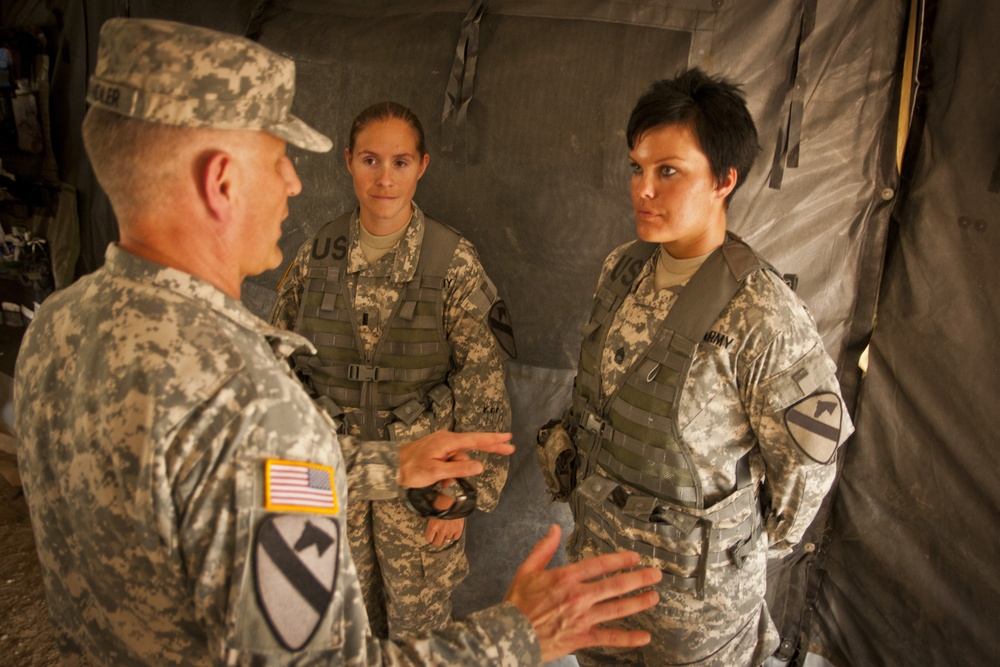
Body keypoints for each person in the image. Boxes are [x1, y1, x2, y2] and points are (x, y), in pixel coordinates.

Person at [13, 18, 662, 666]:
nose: (295, 183)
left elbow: (224, 477)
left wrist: (388, 465)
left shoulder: (55, 327)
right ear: (221, 180)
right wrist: (524, 634)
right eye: (279, 160)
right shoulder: (258, 408)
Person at [536, 69, 854, 666]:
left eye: (669, 171)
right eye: (637, 168)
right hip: (601, 581)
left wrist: (725, 553)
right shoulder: (622, 271)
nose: (643, 190)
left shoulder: (761, 313)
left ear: (724, 180)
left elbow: (807, 473)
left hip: (694, 621)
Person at [271, 101, 513, 639]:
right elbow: (278, 374)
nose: (384, 178)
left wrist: (460, 494)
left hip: (424, 487)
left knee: (418, 636)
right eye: (370, 161)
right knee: (339, 629)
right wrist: (296, 484)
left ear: (422, 166)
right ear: (349, 163)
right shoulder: (316, 257)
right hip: (336, 480)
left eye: (400, 163)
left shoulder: (451, 262)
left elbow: (484, 388)